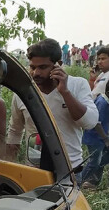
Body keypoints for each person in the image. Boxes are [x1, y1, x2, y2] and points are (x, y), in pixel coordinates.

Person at [7, 38, 98, 169]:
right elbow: (15, 131)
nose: (36, 73)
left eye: (42, 67)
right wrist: (10, 165)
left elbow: (90, 123)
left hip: (70, 169)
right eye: (32, 67)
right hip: (34, 170)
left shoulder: (77, 85)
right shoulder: (23, 92)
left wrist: (65, 92)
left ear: (58, 64)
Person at [80, 87, 109, 188]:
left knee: (100, 160)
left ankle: (92, 181)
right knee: (94, 163)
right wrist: (106, 139)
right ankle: (77, 183)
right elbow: (97, 123)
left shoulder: (105, 100)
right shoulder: (102, 103)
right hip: (95, 137)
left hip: (101, 136)